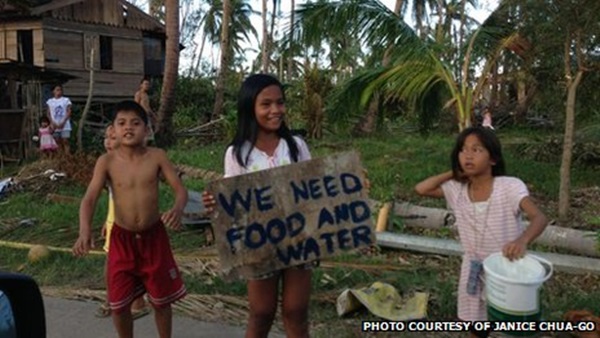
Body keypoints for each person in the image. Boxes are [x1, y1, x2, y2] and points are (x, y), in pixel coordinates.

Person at [203, 74, 314, 338]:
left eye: (280, 102)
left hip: (298, 239)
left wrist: (350, 186)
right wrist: (217, 204)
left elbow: (314, 189)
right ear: (250, 107)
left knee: (296, 311)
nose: (275, 110)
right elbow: (234, 203)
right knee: (261, 312)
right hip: (259, 241)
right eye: (266, 104)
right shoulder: (237, 153)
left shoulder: (296, 146)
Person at [414, 127, 547, 338]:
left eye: (476, 150)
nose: (468, 155)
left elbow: (539, 217)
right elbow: (422, 188)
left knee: (509, 323)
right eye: (463, 150)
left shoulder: (509, 187)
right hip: (473, 268)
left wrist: (522, 240)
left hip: (506, 269)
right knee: (475, 325)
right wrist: (454, 173)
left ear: (492, 159)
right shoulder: (456, 190)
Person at [72, 100, 188, 338]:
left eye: (136, 123)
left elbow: (180, 189)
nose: (128, 128)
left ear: (146, 130)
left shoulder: (157, 157)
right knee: (119, 304)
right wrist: (84, 231)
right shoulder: (107, 162)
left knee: (161, 301)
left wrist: (177, 209)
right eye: (122, 123)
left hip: (154, 238)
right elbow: (89, 199)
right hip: (121, 239)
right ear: (112, 130)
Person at [95, 126, 148, 320]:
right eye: (106, 138)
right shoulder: (108, 165)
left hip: (128, 226)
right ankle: (114, 300)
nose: (107, 142)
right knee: (112, 265)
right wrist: (106, 222)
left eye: (112, 138)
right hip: (113, 223)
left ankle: (136, 303)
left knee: (127, 265)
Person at [46, 84, 72, 155]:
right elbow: (48, 113)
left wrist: (63, 122)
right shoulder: (50, 101)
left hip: (64, 124)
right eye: (57, 90)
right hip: (55, 124)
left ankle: (67, 156)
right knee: (57, 141)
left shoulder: (66, 100)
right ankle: (60, 156)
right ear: (53, 91)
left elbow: (69, 111)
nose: (59, 92)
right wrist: (52, 122)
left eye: (60, 90)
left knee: (65, 140)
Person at [134, 78, 156, 142]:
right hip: (141, 116)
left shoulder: (146, 95)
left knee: (149, 134)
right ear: (141, 85)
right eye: (145, 84)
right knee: (144, 134)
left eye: (148, 84)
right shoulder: (138, 94)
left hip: (147, 115)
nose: (147, 86)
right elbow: (136, 105)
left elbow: (148, 107)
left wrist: (153, 115)